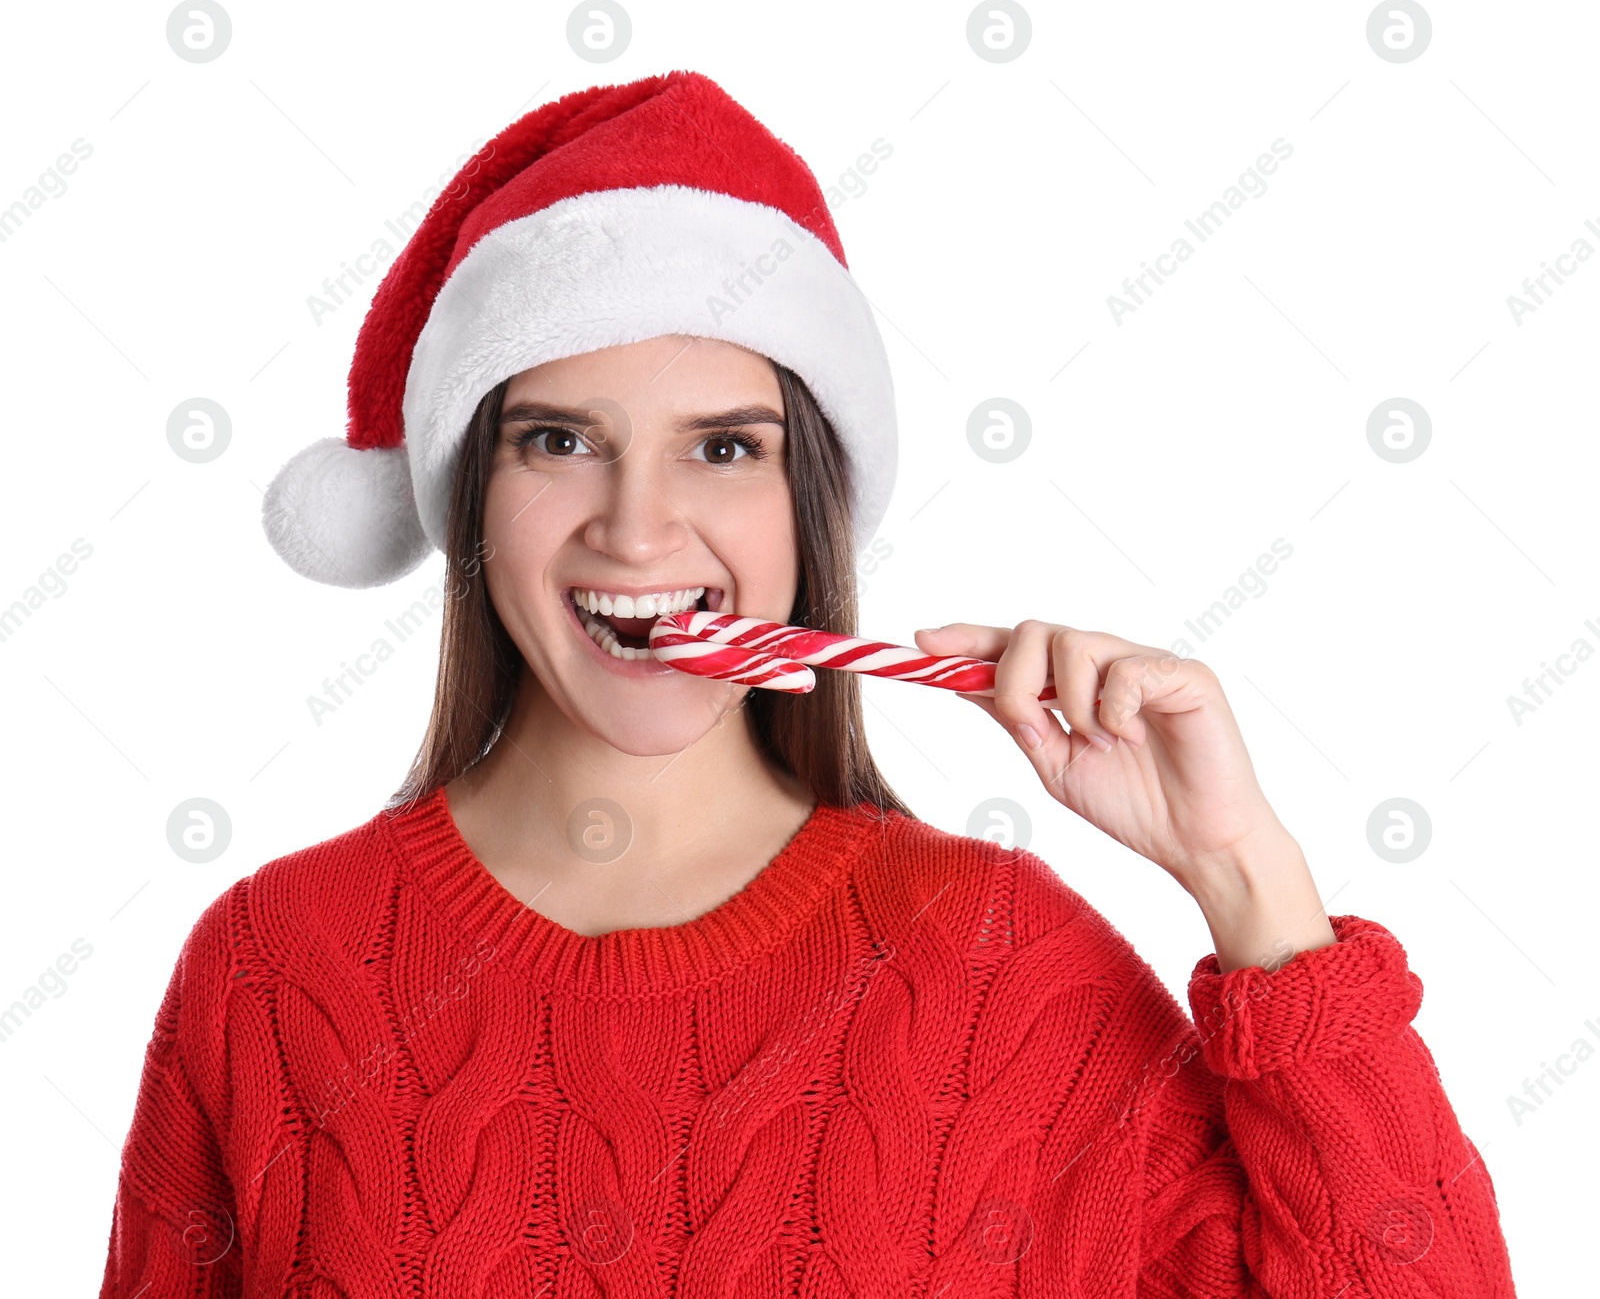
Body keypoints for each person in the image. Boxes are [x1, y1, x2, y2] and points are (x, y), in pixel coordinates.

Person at [98, 70, 1517, 1297]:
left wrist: (1243, 874)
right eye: (557, 441)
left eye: (724, 447)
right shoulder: (272, 975)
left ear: (810, 504)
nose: (638, 528)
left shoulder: (998, 970)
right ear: (469, 491)